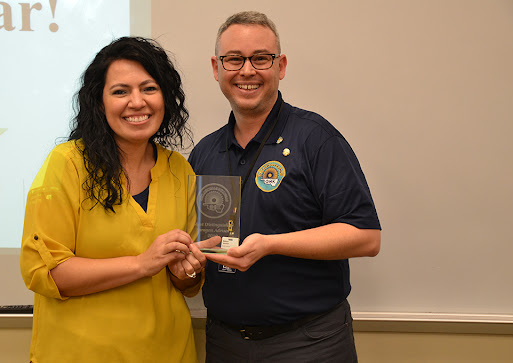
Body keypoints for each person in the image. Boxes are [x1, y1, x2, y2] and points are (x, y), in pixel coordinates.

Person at [188, 11, 382, 362]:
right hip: (225, 341)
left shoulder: (315, 138)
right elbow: (199, 246)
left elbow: (366, 237)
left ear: (281, 66)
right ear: (217, 69)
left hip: (310, 343)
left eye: (261, 58)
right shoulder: (204, 153)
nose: (247, 71)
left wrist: (271, 245)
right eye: (234, 59)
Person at [20, 36, 216, 362]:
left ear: (166, 98)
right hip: (80, 354)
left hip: (169, 352)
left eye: (149, 88)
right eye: (120, 91)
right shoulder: (66, 163)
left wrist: (188, 271)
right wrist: (142, 264)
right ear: (99, 103)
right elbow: (47, 273)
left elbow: (188, 284)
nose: (137, 102)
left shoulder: (180, 170)